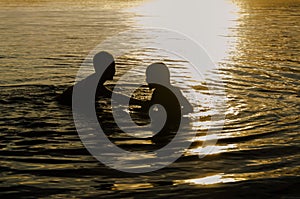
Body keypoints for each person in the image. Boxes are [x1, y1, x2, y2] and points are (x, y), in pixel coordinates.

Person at [141, 62, 193, 143]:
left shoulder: (158, 93)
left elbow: (146, 109)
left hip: (164, 123)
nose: (146, 80)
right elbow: (189, 108)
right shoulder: (176, 90)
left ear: (157, 79)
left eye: (149, 77)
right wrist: (178, 114)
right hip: (177, 123)